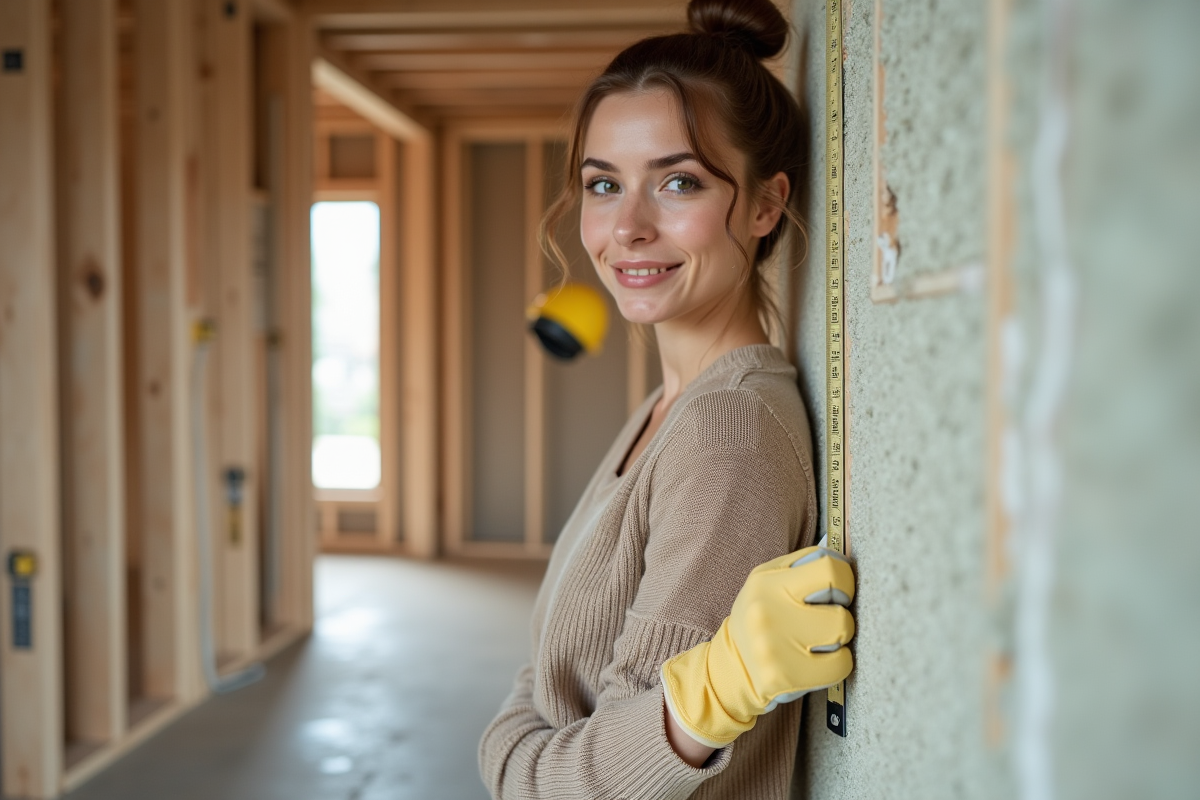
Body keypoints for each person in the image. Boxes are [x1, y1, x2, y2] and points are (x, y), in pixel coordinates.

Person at [479, 1, 856, 797]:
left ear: (762, 204)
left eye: (678, 182)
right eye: (604, 184)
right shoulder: (672, 404)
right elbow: (544, 678)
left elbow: (581, 777)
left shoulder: (727, 432)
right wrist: (523, 738)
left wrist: (511, 752)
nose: (627, 227)